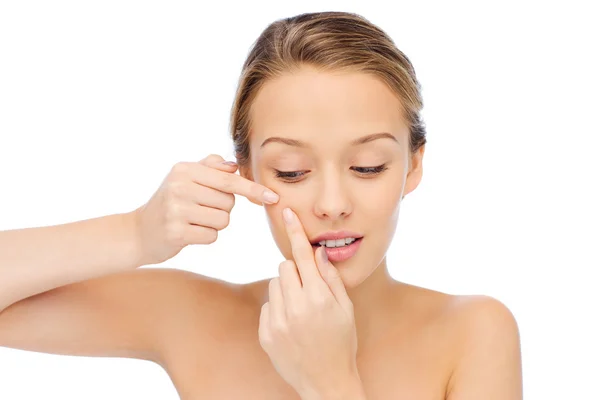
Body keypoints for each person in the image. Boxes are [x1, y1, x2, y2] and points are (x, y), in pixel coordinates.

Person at [0, 11, 522, 400]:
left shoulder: (474, 332)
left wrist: (331, 383)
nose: (332, 204)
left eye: (367, 166)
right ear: (246, 172)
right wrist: (135, 234)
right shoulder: (195, 317)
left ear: (412, 167)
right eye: (292, 171)